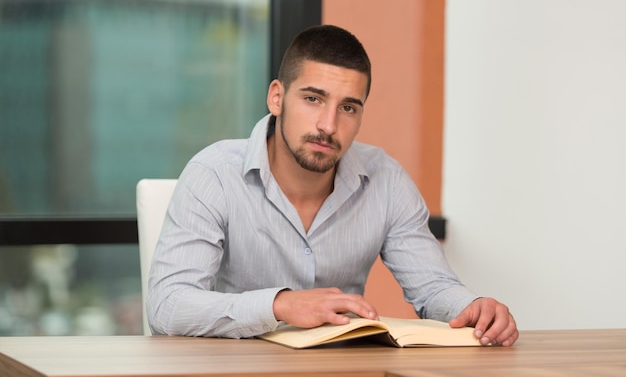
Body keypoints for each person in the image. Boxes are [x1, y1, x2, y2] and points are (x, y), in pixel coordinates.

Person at [147, 24, 518, 346]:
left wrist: (473, 308)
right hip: (238, 373)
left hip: (343, 372)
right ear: (277, 97)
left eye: (348, 108)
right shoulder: (213, 175)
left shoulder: (386, 180)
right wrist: (279, 304)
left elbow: (434, 289)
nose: (328, 124)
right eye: (313, 99)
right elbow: (167, 306)